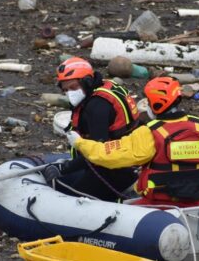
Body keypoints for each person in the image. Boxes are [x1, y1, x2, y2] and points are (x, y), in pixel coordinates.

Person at [66, 76, 199, 207]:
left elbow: (110, 155)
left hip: (160, 203)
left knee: (119, 203)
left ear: (156, 104)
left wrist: (80, 143)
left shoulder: (150, 132)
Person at [41, 57, 141, 201]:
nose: (70, 93)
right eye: (65, 89)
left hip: (113, 170)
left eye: (73, 87)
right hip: (126, 161)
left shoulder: (97, 107)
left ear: (86, 81)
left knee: (69, 198)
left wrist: (63, 168)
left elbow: (98, 152)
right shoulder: (106, 87)